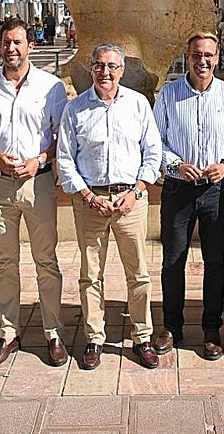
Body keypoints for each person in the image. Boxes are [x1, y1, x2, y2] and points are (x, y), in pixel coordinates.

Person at [0, 18, 68, 368]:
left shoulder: (51, 87)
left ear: (30, 46)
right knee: (5, 262)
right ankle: (9, 332)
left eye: (18, 42)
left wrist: (40, 160)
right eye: (6, 42)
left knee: (46, 261)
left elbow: (61, 139)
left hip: (36, 184)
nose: (12, 48)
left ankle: (53, 331)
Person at [57, 43, 163, 371]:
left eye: (112, 66)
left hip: (130, 201)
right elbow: (64, 159)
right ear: (91, 69)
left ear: (121, 70)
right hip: (91, 203)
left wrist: (137, 190)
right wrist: (88, 196)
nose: (105, 72)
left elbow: (153, 151)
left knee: (139, 274)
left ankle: (142, 336)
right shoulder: (75, 109)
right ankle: (94, 337)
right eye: (99, 66)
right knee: (91, 275)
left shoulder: (137, 104)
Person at [153, 32, 224, 361]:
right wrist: (174, 164)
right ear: (187, 56)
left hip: (215, 190)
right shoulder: (169, 94)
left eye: (208, 55)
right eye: (196, 54)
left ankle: (211, 328)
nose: (202, 60)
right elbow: (154, 139)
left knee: (216, 263)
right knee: (172, 262)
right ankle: (172, 328)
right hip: (178, 188)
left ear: (218, 58)